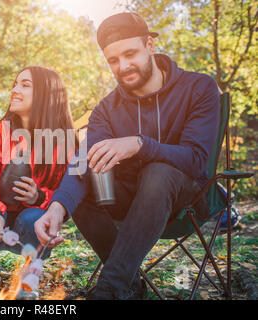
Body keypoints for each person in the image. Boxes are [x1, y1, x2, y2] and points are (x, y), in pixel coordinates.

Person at [34, 12, 220, 299]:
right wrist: (57, 207)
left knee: (157, 171)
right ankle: (128, 284)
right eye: (113, 60)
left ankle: (110, 289)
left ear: (149, 45)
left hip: (188, 202)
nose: (122, 66)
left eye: (130, 53)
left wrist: (139, 144)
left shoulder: (198, 87)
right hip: (130, 203)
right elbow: (83, 163)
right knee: (81, 188)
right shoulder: (106, 110)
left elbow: (196, 160)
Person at [0, 66, 76, 299]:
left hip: (31, 224)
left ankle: (29, 276)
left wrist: (39, 197)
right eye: (15, 84)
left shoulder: (63, 142)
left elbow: (66, 190)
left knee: (34, 216)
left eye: (25, 85)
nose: (15, 90)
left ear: (47, 94)